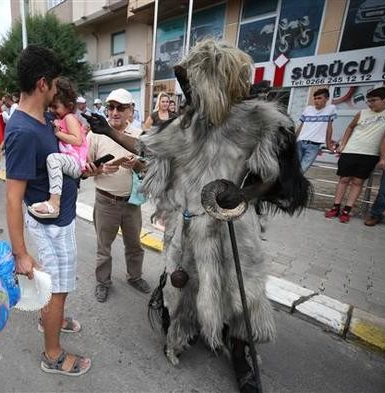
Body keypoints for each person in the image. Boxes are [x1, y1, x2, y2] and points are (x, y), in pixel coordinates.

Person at [84, 39, 310, 393]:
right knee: (183, 286)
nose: (191, 91)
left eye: (197, 82)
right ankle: (183, 331)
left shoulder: (255, 120)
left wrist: (243, 194)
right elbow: (148, 145)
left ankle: (240, 354)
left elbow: (274, 177)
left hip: (237, 228)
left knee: (241, 295)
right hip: (188, 226)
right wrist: (108, 131)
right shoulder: (190, 124)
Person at [4, 45, 91, 376]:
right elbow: (13, 198)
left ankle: (50, 319)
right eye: (54, 83)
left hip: (60, 220)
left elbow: (53, 165)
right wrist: (20, 254)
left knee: (59, 289)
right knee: (58, 290)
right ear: (43, 84)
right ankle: (52, 354)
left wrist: (83, 168)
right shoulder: (24, 130)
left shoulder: (42, 121)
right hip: (51, 227)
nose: (57, 89)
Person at [84, 88, 150, 303]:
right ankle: (103, 282)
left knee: (134, 246)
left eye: (120, 107)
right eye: (110, 107)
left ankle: (135, 277)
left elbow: (148, 171)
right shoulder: (95, 134)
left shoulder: (139, 136)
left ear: (131, 110)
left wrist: (137, 164)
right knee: (104, 249)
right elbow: (84, 170)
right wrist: (100, 170)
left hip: (131, 203)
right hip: (105, 201)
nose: (114, 112)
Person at [325, 87, 385, 223]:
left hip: (371, 153)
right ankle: (335, 207)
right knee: (344, 179)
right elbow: (350, 127)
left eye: (373, 100)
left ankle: (346, 210)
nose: (370, 103)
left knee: (357, 182)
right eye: (369, 101)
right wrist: (343, 144)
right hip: (351, 150)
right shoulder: (362, 113)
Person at [28, 77, 88, 219]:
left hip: (76, 163)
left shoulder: (69, 118)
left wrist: (58, 133)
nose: (52, 110)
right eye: (51, 106)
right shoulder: (62, 118)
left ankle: (54, 203)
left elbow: (77, 140)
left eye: (56, 107)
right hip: (73, 162)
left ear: (69, 105)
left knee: (53, 159)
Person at [295, 88, 337, 172]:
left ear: (327, 99)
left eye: (319, 98)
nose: (316, 101)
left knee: (301, 170)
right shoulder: (308, 109)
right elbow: (301, 126)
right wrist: (293, 139)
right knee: (293, 168)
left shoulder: (331, 109)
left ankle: (293, 184)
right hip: (300, 143)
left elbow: (329, 128)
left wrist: (328, 144)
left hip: (314, 146)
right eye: (315, 98)